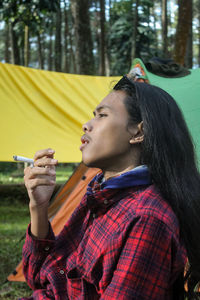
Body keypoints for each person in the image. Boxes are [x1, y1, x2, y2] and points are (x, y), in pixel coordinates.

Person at [20, 75, 200, 300]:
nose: (86, 124)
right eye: (93, 115)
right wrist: (39, 206)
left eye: (102, 115)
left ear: (138, 132)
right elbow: (39, 277)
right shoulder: (102, 192)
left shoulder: (146, 218)